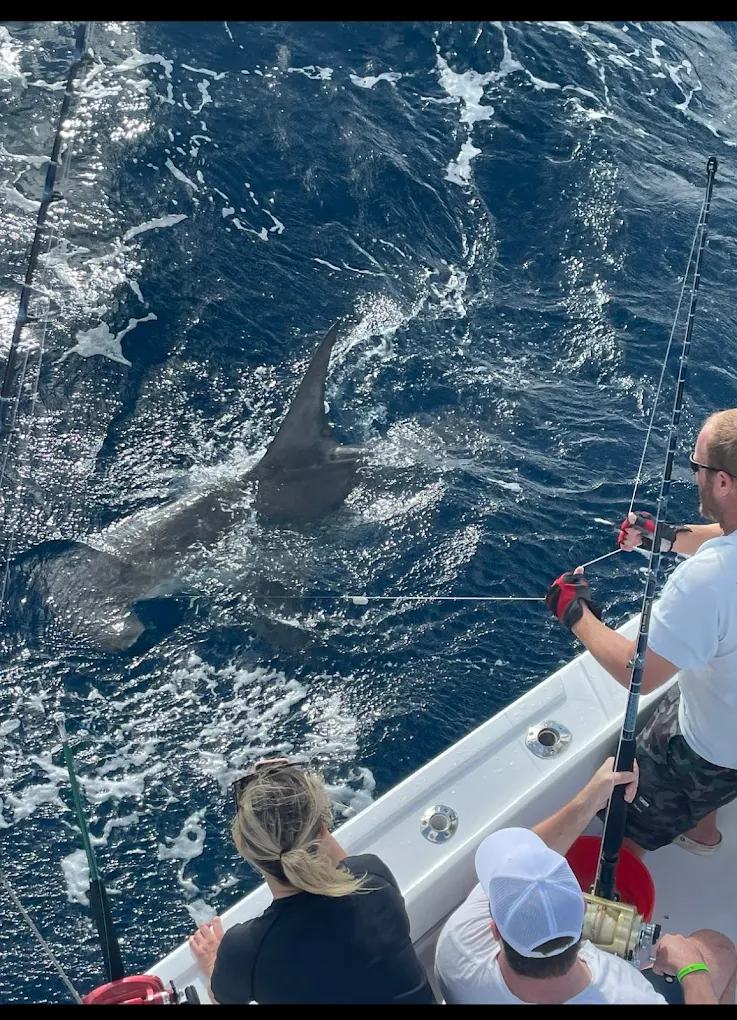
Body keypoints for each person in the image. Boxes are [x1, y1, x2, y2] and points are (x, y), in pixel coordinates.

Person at [546, 409, 737, 857]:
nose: (693, 476)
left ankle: (633, 854)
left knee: (629, 817)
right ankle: (703, 833)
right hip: (724, 720)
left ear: (724, 482)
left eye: (697, 468)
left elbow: (640, 673)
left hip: (706, 749)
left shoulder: (708, 580)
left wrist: (574, 612)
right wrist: (666, 537)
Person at [434, 757, 737, 1005]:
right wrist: (692, 970)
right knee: (716, 948)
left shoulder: (460, 944)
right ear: (584, 908)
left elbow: (520, 864)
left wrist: (592, 797)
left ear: (495, 929)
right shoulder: (629, 995)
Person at [188, 758, 436, 1005]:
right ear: (323, 827)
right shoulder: (373, 877)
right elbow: (346, 866)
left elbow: (222, 998)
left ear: (242, 846)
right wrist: (297, 800)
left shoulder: (245, 950)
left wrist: (212, 961)